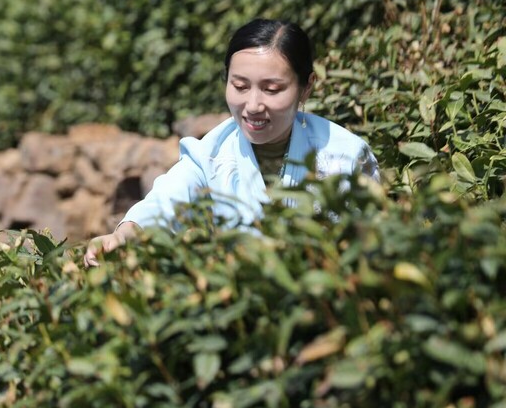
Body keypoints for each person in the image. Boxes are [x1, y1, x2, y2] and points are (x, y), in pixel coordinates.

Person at [84, 19, 379, 267]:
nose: (252, 105)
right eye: (239, 86)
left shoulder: (345, 155)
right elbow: (164, 202)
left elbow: (371, 246)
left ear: (306, 86)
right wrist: (121, 237)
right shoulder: (210, 154)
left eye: (272, 89)